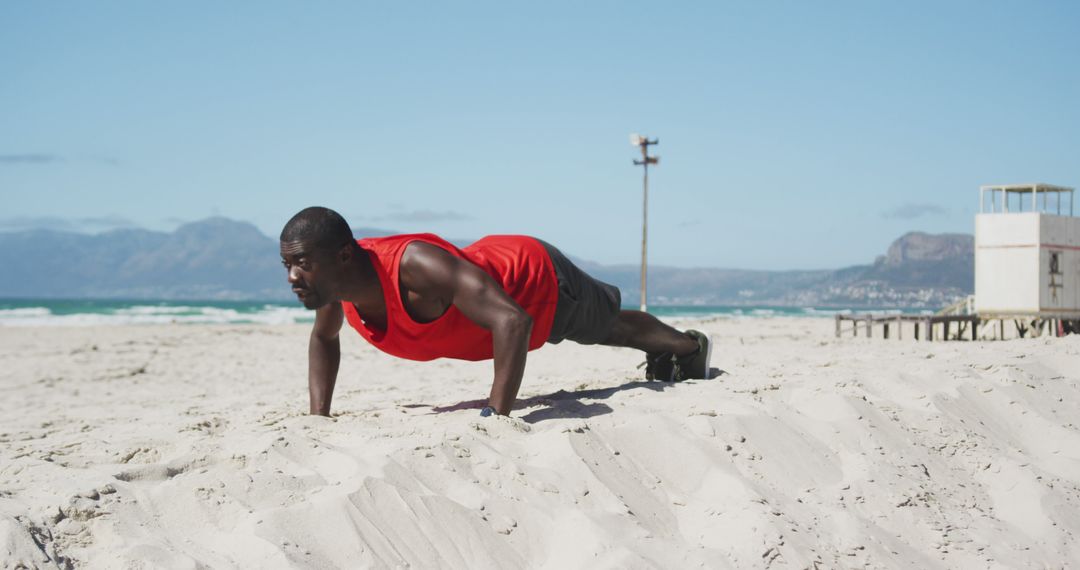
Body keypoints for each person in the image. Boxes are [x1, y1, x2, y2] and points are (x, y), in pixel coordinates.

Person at [279, 206, 713, 417]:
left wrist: (497, 414)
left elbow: (512, 319)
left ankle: (688, 347)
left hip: (535, 279)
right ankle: (669, 349)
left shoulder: (414, 266)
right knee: (609, 326)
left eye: (304, 264)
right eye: (288, 265)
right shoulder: (338, 289)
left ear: (342, 257)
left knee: (608, 328)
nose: (294, 277)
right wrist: (319, 418)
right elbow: (324, 337)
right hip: (497, 284)